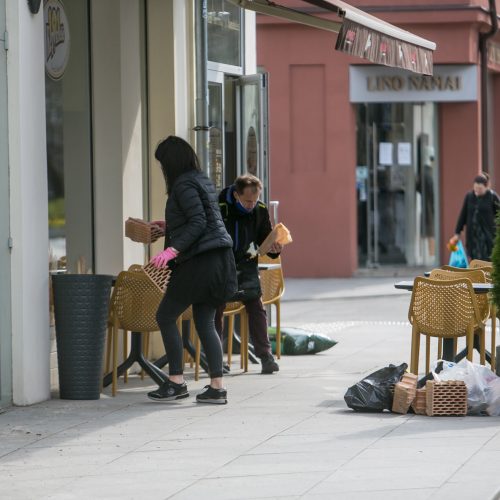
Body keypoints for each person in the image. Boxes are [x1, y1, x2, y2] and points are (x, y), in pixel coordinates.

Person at [147, 136, 237, 404]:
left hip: (199, 262)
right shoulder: (201, 180)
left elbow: (198, 222)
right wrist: (168, 227)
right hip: (219, 259)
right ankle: (217, 388)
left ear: (170, 162)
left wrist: (171, 250)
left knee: (165, 315)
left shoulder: (183, 184)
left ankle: (176, 381)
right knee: (205, 322)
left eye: (162, 163)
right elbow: (207, 219)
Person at [216, 174, 281, 374]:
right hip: (222, 265)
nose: (252, 205)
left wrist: (274, 248)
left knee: (256, 308)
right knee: (215, 310)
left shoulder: (260, 210)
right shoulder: (220, 208)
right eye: (247, 201)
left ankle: (266, 357)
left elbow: (265, 239)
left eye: (255, 200)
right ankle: (216, 359)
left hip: (247, 266)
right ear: (236, 195)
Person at [450, 172, 500, 261]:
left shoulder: (492, 197)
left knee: (488, 260)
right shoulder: (469, 197)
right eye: (475, 188)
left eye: (479, 188)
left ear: (486, 187)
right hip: (473, 237)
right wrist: (457, 233)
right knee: (474, 261)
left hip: (488, 237)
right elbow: (463, 215)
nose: (477, 190)